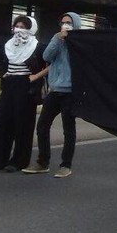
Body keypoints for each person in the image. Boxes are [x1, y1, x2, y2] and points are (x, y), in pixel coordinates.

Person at [0, 15, 44, 172]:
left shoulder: (38, 47)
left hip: (26, 87)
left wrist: (36, 77)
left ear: (31, 29)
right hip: (9, 85)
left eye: (23, 27)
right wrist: (3, 73)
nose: (19, 30)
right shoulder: (8, 45)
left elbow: (49, 63)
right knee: (1, 122)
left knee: (23, 124)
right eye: (16, 26)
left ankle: (19, 161)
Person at [23, 12, 81, 178]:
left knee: (68, 130)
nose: (65, 25)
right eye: (63, 22)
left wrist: (70, 40)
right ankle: (43, 161)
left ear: (75, 24)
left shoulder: (79, 41)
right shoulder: (56, 39)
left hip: (70, 92)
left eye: (69, 22)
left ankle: (66, 165)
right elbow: (46, 56)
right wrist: (58, 39)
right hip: (55, 90)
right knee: (42, 126)